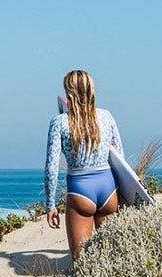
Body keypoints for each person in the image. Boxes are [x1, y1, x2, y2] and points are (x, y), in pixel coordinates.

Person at [44, 70, 123, 261]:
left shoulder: (60, 122)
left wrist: (50, 205)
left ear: (68, 92)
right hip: (109, 189)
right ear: (92, 89)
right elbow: (120, 156)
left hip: (81, 191)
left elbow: (51, 167)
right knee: (111, 258)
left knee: (81, 261)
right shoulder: (106, 116)